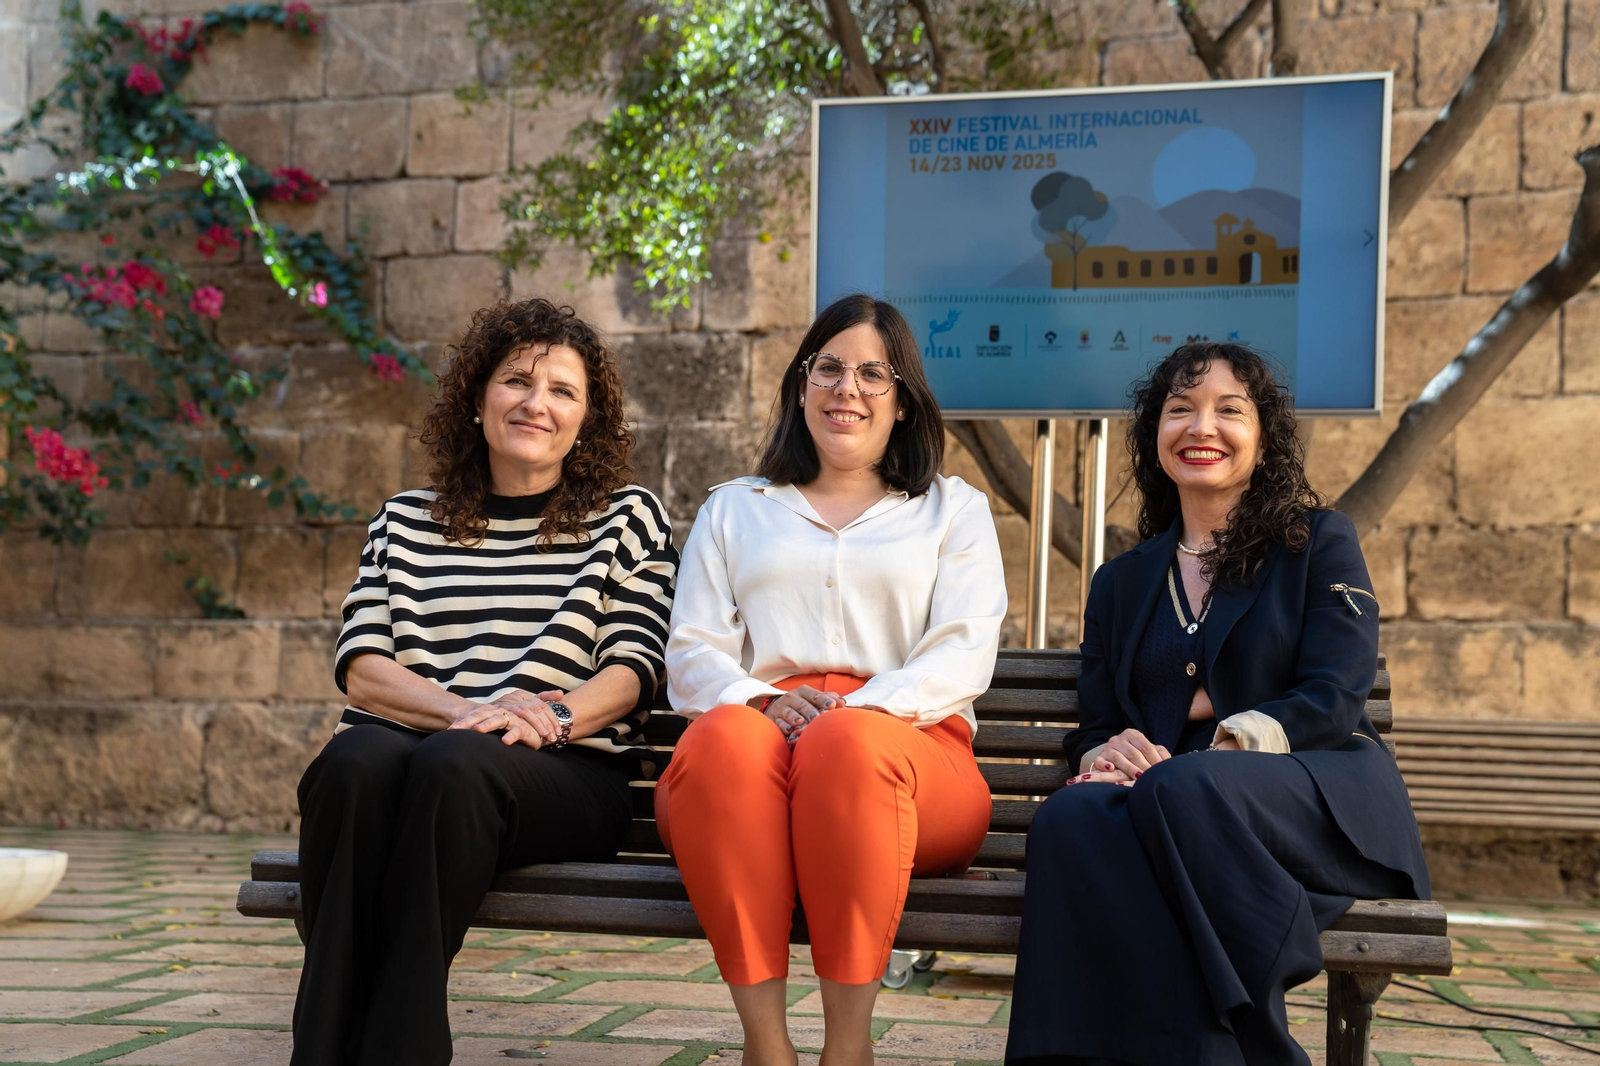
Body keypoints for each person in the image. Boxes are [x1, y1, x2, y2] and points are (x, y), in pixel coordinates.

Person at [1004, 343, 1430, 1066]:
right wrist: (1104, 752)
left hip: (1317, 800)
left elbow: (1336, 691)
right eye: (1180, 410)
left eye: (1229, 410)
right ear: (1154, 437)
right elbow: (1100, 720)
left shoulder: (1317, 542)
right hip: (1172, 804)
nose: (1202, 427)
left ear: (1263, 439)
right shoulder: (1122, 581)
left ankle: (1256, 1047)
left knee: (1185, 783)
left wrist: (1232, 736)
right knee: (1070, 817)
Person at [291, 299, 678, 1066]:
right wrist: (470, 710)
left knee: (451, 764)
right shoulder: (403, 521)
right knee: (353, 762)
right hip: (424, 755)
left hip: (565, 769)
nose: (537, 404)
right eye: (517, 382)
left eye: (563, 391)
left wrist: (549, 718)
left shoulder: (626, 519)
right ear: (476, 398)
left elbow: (632, 672)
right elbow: (364, 671)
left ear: (587, 419)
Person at [658, 293, 1007, 1066]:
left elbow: (962, 652)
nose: (847, 388)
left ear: (905, 403)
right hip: (760, 752)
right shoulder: (734, 510)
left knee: (848, 744)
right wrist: (769, 701)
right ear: (801, 385)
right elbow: (691, 653)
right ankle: (767, 1047)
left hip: (914, 759)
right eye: (829, 368)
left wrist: (854, 711)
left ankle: (847, 1050)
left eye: (873, 374)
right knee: (720, 742)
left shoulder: (953, 511)